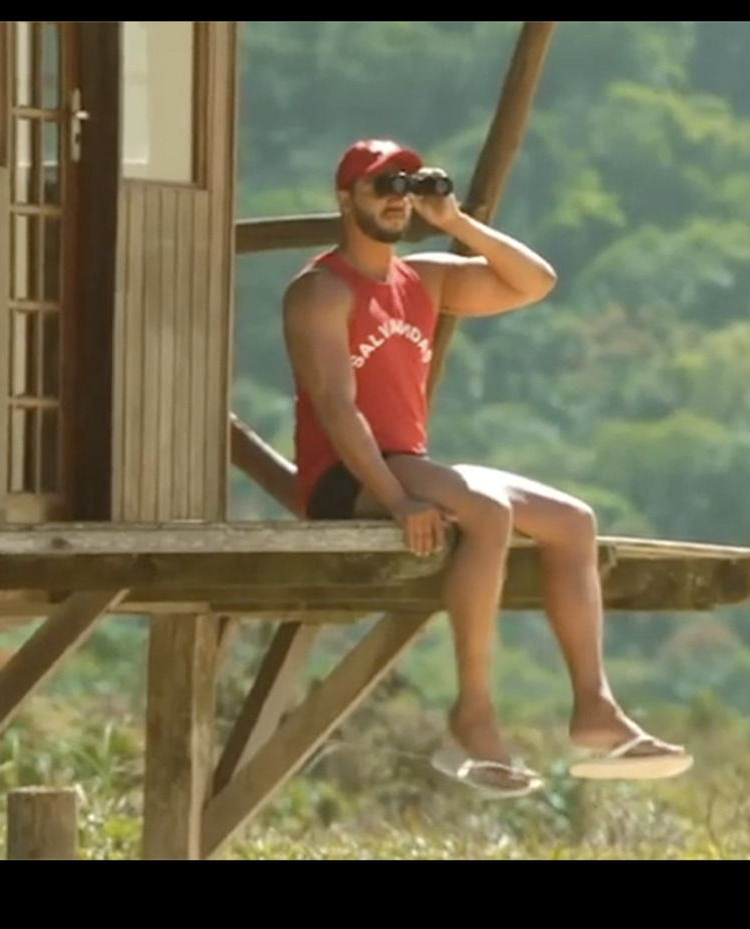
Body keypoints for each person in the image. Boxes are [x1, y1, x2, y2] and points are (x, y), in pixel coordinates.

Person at [282, 139, 692, 798]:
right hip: (349, 478)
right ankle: (472, 711)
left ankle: (595, 709)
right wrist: (394, 499)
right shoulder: (320, 289)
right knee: (488, 510)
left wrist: (456, 223)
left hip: (408, 465)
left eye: (406, 186)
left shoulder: (423, 279)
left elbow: (536, 281)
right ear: (345, 197)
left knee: (572, 521)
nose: (395, 199)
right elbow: (336, 408)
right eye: (380, 185)